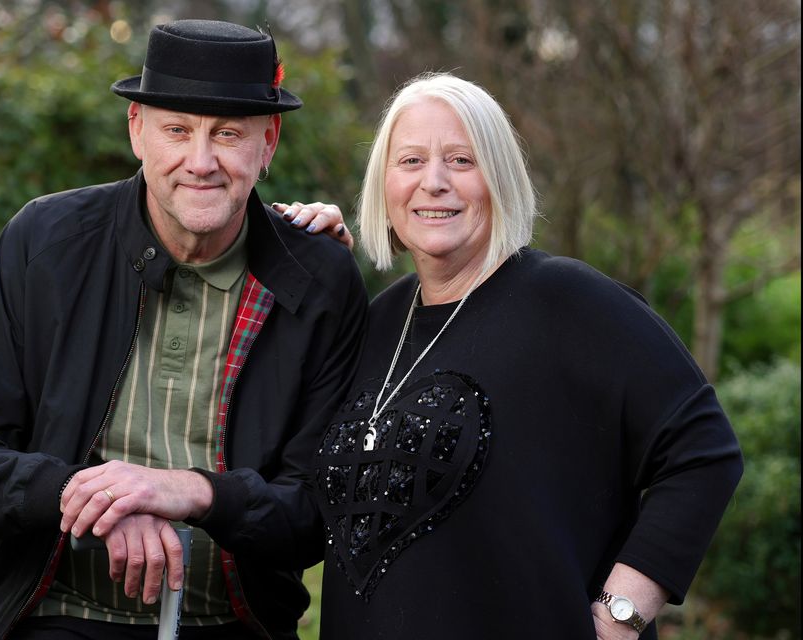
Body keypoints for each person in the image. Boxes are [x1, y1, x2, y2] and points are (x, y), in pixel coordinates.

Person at [0, 19, 367, 640]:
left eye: (228, 134)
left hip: (236, 624)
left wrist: (194, 492)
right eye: (176, 130)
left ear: (269, 144)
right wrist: (88, 501)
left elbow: (316, 512)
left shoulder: (317, 277)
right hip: (58, 617)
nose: (200, 161)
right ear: (137, 132)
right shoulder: (46, 244)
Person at [290, 73, 743, 639]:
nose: (433, 182)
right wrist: (305, 259)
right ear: (382, 184)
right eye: (410, 161)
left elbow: (703, 449)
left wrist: (619, 615)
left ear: (499, 178)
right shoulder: (377, 323)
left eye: (461, 160)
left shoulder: (566, 301)